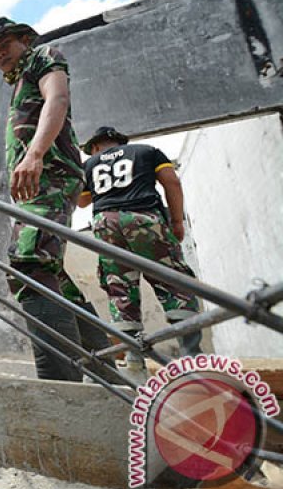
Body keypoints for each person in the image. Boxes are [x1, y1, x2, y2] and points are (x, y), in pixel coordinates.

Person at [0, 17, 110, 381]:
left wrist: (34, 154)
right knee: (53, 275)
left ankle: (60, 385)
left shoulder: (42, 58)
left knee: (29, 261)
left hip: (50, 173)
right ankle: (104, 369)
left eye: (5, 44)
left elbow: (58, 97)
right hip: (39, 184)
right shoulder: (19, 83)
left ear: (25, 39)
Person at [78, 126, 203, 378]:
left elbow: (82, 201)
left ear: (95, 146)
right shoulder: (147, 151)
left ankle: (135, 359)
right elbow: (172, 182)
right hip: (144, 218)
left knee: (120, 287)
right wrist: (177, 222)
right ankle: (192, 356)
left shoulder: (89, 164)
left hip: (106, 224)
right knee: (173, 281)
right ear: (121, 141)